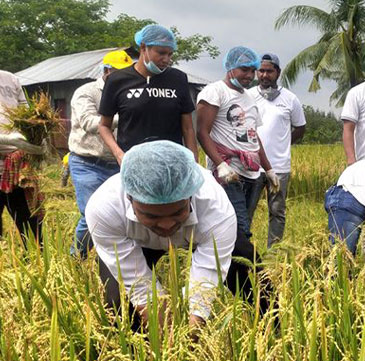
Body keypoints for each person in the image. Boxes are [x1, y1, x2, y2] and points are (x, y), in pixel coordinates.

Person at [86, 141, 272, 328]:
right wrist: (163, 339)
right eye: (151, 215)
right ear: (129, 198)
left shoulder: (215, 208)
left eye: (177, 212)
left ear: (191, 197)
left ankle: (273, 326)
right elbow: (141, 290)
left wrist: (190, 336)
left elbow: (204, 287)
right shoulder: (105, 209)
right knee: (118, 301)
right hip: (137, 240)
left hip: (198, 232)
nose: (166, 225)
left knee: (249, 268)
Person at [196, 46, 279, 240]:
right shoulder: (215, 92)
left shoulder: (249, 97)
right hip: (229, 173)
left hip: (252, 173)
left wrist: (268, 169)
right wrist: (220, 165)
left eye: (252, 71)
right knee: (240, 228)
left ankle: (233, 259)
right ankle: (241, 259)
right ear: (230, 67)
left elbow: (253, 136)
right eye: (244, 69)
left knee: (243, 224)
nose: (249, 75)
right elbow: (202, 132)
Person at [98, 24, 199, 165]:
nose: (166, 59)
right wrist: (119, 155)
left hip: (172, 163)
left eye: (170, 54)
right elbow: (104, 126)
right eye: (161, 53)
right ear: (143, 47)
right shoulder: (117, 80)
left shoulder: (178, 79)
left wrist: (194, 163)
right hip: (134, 164)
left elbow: (188, 128)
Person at [67, 49, 134, 258]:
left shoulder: (130, 93)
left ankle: (112, 258)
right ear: (106, 71)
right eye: (119, 72)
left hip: (118, 162)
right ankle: (77, 257)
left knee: (123, 213)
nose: (125, 77)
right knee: (92, 214)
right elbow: (89, 122)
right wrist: (128, 115)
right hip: (88, 162)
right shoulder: (86, 92)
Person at [248, 52, 306, 247]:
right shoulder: (248, 96)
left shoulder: (290, 99)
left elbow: (300, 128)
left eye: (269, 71)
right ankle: (243, 251)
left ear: (278, 73)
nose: (265, 75)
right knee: (246, 212)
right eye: (261, 71)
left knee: (277, 212)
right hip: (252, 167)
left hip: (279, 167)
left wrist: (283, 144)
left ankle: (273, 253)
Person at [0, 69, 44, 246]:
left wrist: (37, 139)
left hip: (17, 166)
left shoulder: (10, 79)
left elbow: (26, 116)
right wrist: (5, 139)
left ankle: (35, 259)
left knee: (31, 225)